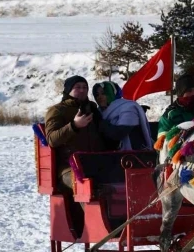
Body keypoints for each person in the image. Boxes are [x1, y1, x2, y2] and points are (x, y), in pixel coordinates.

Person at [44, 75, 106, 236]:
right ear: (68, 90)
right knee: (88, 185)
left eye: (85, 87)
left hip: (97, 163)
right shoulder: (57, 110)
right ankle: (96, 229)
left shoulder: (92, 108)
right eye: (77, 87)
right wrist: (74, 125)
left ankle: (122, 226)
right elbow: (52, 139)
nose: (82, 90)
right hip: (68, 168)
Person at [156, 74, 194, 147]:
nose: (193, 94)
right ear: (180, 93)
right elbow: (162, 144)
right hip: (179, 153)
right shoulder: (170, 115)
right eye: (189, 91)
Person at [93, 81, 153, 150]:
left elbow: (119, 133)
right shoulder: (98, 112)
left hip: (135, 155)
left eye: (103, 93)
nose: (99, 97)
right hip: (111, 156)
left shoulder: (129, 108)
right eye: (97, 95)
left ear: (112, 93)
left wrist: (101, 123)